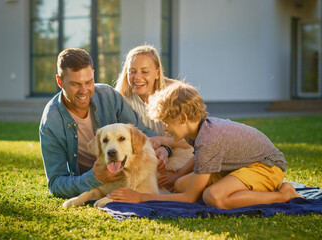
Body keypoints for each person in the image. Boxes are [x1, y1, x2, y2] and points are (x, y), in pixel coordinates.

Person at [108, 82, 303, 209]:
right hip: (241, 166)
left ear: (183, 118)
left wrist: (141, 198)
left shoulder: (209, 140)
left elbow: (190, 198)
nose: (165, 129)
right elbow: (199, 157)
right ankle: (243, 190)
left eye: (167, 122)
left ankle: (282, 195)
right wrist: (178, 174)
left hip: (267, 167)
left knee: (213, 197)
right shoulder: (199, 129)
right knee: (180, 184)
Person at [39, 48, 170, 199]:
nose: (84, 91)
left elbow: (142, 132)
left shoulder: (108, 95)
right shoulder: (51, 123)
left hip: (125, 174)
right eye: (76, 84)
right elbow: (56, 184)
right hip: (92, 182)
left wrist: (165, 148)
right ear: (60, 82)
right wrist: (95, 177)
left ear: (93, 75)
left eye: (89, 82)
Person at [114, 45, 194, 190]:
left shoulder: (176, 94)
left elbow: (191, 140)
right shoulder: (122, 101)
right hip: (146, 157)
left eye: (144, 71)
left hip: (181, 153)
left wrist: (165, 146)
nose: (137, 77)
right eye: (132, 72)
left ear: (157, 73)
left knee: (180, 183)